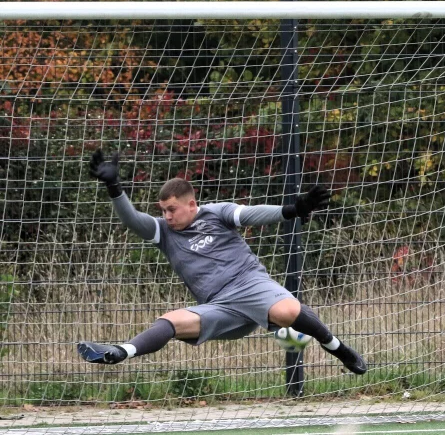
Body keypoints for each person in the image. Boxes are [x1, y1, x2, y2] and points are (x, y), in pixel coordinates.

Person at [77, 149, 367, 375]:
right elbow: (132, 219)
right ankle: (119, 352)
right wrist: (114, 187)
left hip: (250, 285)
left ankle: (338, 349)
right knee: (171, 320)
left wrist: (293, 209)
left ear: (192, 204)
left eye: (172, 209)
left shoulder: (216, 213)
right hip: (218, 305)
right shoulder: (162, 231)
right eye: (163, 210)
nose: (166, 216)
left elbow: (252, 215)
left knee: (289, 309)